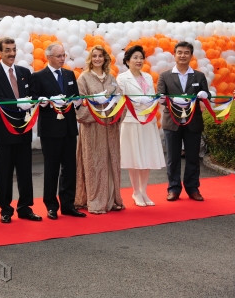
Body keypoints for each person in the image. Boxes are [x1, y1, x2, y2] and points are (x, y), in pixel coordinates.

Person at [0, 38, 40, 224]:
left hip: (24, 126)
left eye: (14, 50)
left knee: (24, 169)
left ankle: (25, 208)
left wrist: (31, 101)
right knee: (4, 171)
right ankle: (5, 209)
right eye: (7, 50)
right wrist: (16, 103)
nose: (12, 54)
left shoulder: (24, 72)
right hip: (5, 128)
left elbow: (33, 93)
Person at [29, 42, 85, 220]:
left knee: (69, 168)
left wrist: (78, 101)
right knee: (51, 169)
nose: (62, 59)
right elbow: (34, 98)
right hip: (50, 129)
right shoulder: (38, 76)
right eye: (59, 56)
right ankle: (51, 205)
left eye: (64, 56)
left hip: (68, 128)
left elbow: (76, 96)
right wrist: (47, 100)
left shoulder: (69, 74)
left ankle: (68, 204)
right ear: (49, 57)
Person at [157, 41, 210, 202]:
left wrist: (203, 95)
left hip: (193, 121)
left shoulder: (199, 76)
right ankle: (173, 188)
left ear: (191, 55)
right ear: (174, 55)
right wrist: (176, 102)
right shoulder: (165, 76)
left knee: (193, 157)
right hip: (172, 121)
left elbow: (207, 95)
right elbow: (161, 97)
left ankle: (193, 188)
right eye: (179, 52)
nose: (182, 55)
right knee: (173, 157)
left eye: (186, 52)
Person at [74, 46, 124, 214]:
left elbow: (120, 99)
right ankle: (95, 201)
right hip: (92, 128)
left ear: (105, 58)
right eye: (94, 56)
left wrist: (117, 104)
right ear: (90, 59)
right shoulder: (84, 78)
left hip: (110, 127)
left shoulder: (111, 78)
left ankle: (111, 199)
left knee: (111, 161)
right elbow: (78, 105)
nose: (97, 59)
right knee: (94, 163)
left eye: (100, 56)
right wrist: (94, 105)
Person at [116, 45, 165, 207]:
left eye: (141, 57)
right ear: (128, 60)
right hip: (131, 121)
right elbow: (120, 99)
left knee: (147, 156)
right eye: (135, 57)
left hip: (148, 120)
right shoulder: (122, 78)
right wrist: (138, 101)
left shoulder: (148, 77)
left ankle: (144, 191)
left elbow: (152, 96)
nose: (139, 60)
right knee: (134, 158)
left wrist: (151, 100)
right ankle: (135, 191)